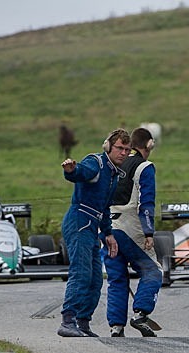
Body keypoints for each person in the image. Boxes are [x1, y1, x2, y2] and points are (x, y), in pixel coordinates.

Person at [57, 128, 131, 338]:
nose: (123, 153)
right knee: (81, 273)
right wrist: (71, 170)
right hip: (79, 220)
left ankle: (83, 322)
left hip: (93, 224)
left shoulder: (114, 174)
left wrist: (108, 233)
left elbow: (105, 207)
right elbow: (80, 172)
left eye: (127, 149)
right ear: (108, 146)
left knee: (95, 278)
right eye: (119, 148)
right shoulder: (96, 163)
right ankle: (67, 320)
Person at [104, 127, 163, 338]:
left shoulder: (113, 164)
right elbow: (147, 204)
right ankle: (140, 313)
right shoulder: (145, 167)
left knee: (117, 279)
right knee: (153, 271)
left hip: (107, 228)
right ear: (149, 145)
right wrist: (148, 233)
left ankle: (116, 326)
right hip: (131, 227)